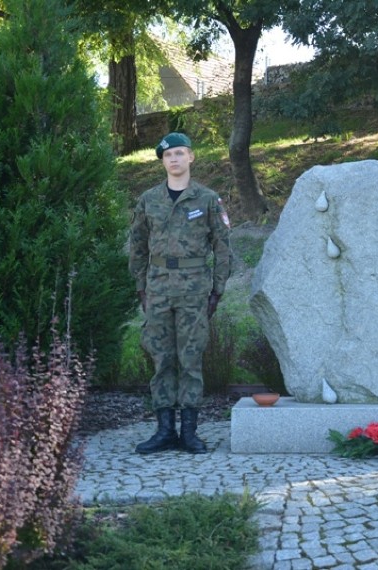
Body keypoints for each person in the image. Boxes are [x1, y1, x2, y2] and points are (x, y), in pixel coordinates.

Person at [129, 132, 232, 454]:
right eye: (168, 155)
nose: (173, 159)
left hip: (194, 289)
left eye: (179, 153)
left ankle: (189, 432)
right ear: (162, 161)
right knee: (162, 358)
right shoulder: (149, 199)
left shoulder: (207, 199)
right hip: (158, 289)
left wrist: (217, 289)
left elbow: (223, 246)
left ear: (191, 157)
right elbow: (137, 245)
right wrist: (141, 286)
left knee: (190, 359)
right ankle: (164, 431)